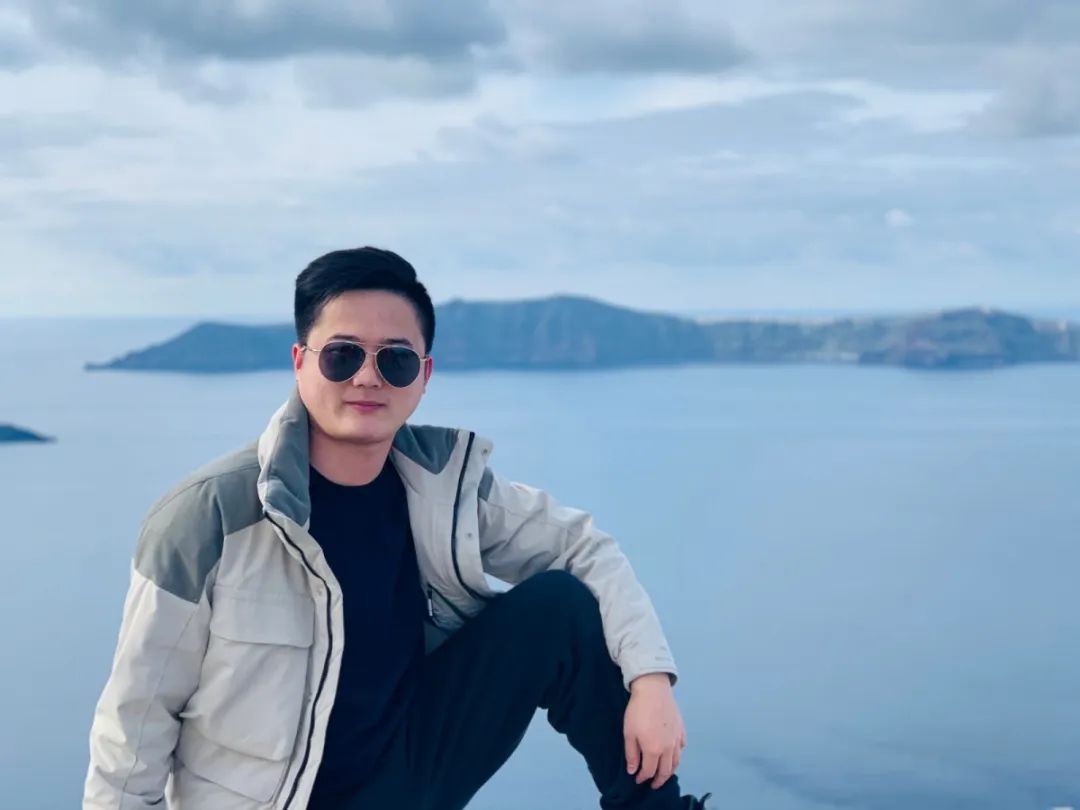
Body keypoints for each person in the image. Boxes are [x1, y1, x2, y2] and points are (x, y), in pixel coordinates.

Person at [83, 247, 712, 810]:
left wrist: (650, 680)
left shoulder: (440, 486)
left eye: (396, 360)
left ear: (424, 376)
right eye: (342, 355)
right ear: (301, 363)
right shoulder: (210, 516)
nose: (367, 377)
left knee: (559, 607)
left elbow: (584, 547)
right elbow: (134, 725)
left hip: (406, 777)